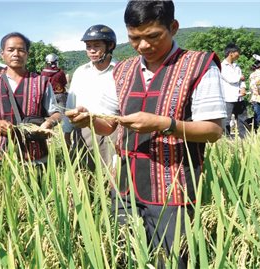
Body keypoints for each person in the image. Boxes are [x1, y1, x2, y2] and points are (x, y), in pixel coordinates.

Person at [66, 1, 226, 267]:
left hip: (174, 191)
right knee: (126, 257)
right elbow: (111, 125)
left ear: (173, 28)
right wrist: (89, 121)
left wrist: (163, 123)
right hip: (125, 188)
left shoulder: (199, 65)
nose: (143, 46)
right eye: (134, 38)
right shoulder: (123, 70)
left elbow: (213, 131)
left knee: (173, 261)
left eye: (153, 37)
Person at [0, 32, 61, 164]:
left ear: (27, 54)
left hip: (34, 155)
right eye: (10, 50)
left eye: (21, 50)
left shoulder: (41, 82)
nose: (16, 54)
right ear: (2, 54)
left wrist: (49, 123)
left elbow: (56, 114)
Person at [62, 24, 119, 172]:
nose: (92, 50)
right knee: (84, 174)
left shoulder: (119, 71)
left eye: (97, 46)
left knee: (111, 175)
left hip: (111, 131)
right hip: (83, 130)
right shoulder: (81, 72)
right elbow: (71, 102)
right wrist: (67, 131)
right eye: (88, 46)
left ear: (110, 45)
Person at [220, 43, 248, 138]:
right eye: (237, 52)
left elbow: (242, 81)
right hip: (228, 97)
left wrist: (243, 88)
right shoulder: (222, 66)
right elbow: (231, 79)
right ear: (231, 53)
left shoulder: (237, 66)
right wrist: (240, 77)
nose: (239, 55)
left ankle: (243, 137)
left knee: (242, 118)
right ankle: (226, 138)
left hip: (239, 97)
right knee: (227, 119)